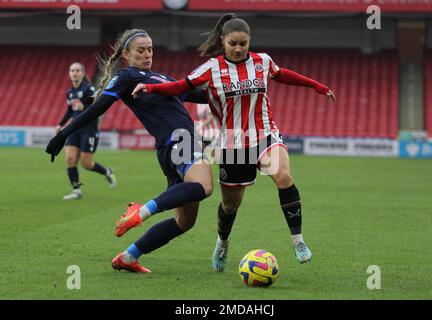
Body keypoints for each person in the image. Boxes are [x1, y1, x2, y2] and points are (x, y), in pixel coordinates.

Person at [131, 13, 337, 272]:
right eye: (233, 44)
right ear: (223, 41)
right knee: (230, 205)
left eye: (243, 43)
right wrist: (150, 88)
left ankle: (298, 241)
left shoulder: (263, 61)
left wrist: (317, 86)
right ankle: (222, 242)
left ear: (249, 41)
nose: (239, 49)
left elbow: (283, 75)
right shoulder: (212, 68)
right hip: (233, 144)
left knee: (283, 176)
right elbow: (180, 86)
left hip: (265, 134)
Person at [46, 29, 213, 273]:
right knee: (205, 186)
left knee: (185, 222)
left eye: (150, 49)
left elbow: (201, 96)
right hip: (181, 141)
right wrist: (63, 134)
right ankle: (140, 212)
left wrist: (234, 90)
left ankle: (128, 257)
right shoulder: (127, 76)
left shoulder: (161, 77)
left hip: (170, 149)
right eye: (141, 50)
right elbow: (97, 108)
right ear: (126, 54)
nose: (147, 54)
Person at [56, 62, 117, 200]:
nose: (75, 73)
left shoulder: (89, 89)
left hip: (89, 130)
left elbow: (96, 107)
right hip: (74, 129)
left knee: (86, 163)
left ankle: (107, 172)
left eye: (77, 70)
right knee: (70, 159)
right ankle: (76, 190)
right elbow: (70, 111)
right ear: (69, 73)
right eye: (72, 70)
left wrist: (84, 106)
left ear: (83, 73)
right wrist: (60, 124)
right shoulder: (70, 93)